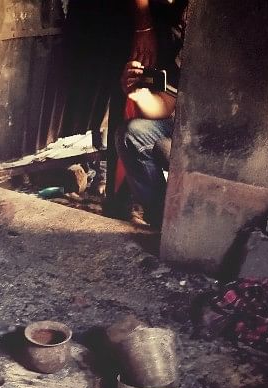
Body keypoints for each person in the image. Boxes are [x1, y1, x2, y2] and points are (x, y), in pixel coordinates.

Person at [109, 0, 187, 228]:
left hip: (222, 141)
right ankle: (165, 222)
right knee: (131, 134)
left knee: (167, 146)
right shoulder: (187, 49)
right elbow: (166, 105)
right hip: (191, 130)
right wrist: (140, 94)